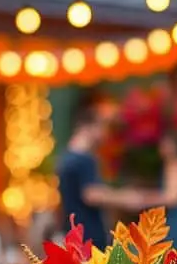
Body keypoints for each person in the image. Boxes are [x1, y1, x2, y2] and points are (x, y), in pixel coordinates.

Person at [56, 106, 144, 250]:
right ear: (88, 126)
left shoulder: (66, 157)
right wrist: (125, 198)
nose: (104, 133)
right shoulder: (84, 159)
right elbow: (91, 194)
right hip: (89, 236)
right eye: (101, 127)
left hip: (73, 235)